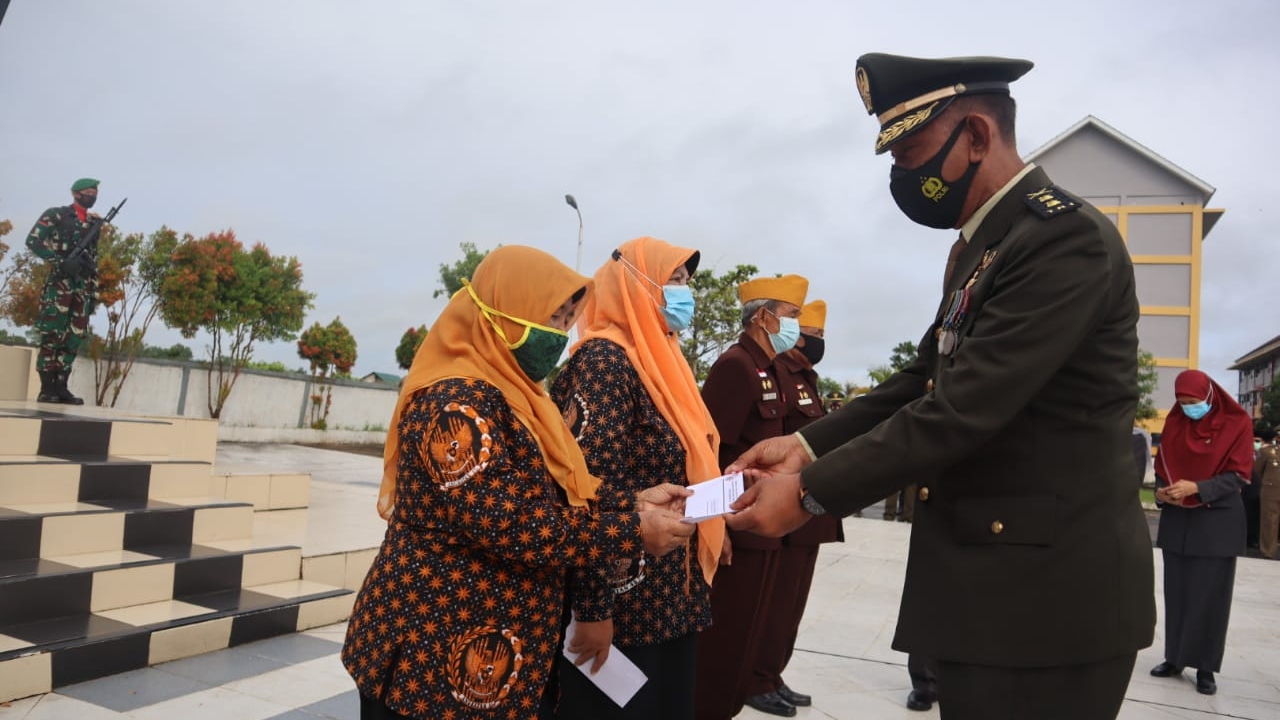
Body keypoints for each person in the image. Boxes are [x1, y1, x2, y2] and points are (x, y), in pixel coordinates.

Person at [723, 52, 1155, 720]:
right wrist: (805, 447)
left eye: (911, 152)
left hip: (1048, 602)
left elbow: (962, 409)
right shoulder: (985, 248)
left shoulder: (1062, 239)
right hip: (995, 589)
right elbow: (923, 377)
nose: (903, 175)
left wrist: (808, 496)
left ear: (977, 136)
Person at [340, 246, 697, 720]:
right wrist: (633, 532)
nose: (559, 333)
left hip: (493, 644)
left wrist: (630, 501)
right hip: (435, 646)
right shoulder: (456, 405)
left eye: (569, 318)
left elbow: (556, 486)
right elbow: (509, 525)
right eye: (552, 316)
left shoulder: (521, 397)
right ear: (503, 313)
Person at [548, 237, 724, 720]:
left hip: (668, 595)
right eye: (676, 281)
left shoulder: (662, 362)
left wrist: (713, 521)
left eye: (688, 282)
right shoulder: (605, 363)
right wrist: (592, 610)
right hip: (623, 606)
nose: (685, 294)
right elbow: (582, 495)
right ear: (636, 286)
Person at [696, 273, 808, 720]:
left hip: (763, 522)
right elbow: (711, 448)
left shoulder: (770, 368)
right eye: (792, 316)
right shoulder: (736, 365)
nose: (796, 325)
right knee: (724, 642)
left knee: (749, 636)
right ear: (763, 317)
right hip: (736, 528)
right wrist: (715, 523)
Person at [749, 299, 842, 712]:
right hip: (789, 504)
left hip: (813, 509)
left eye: (822, 335)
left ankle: (773, 672)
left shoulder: (809, 377)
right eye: (813, 334)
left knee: (792, 606)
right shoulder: (780, 372)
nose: (817, 341)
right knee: (773, 603)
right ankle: (757, 679)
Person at [1150, 369, 1252, 696]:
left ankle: (1205, 666)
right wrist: (1163, 492)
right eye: (1182, 402)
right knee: (1177, 592)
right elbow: (1163, 468)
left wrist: (1197, 487)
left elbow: (1238, 475)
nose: (1188, 407)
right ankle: (1175, 658)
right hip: (1179, 520)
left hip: (1216, 522)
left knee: (1210, 597)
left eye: (1193, 401)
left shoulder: (1237, 423)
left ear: (1209, 396)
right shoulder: (1176, 421)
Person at [24, 177, 104, 404]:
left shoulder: (92, 221)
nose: (92, 196)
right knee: (53, 334)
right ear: (75, 193)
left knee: (74, 336)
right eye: (88, 192)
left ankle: (62, 387)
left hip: (83, 285)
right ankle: (47, 388)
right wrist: (58, 261)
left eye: (95, 193)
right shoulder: (56, 214)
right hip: (60, 285)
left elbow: (92, 254)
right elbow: (33, 241)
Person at [1256, 430, 1280, 559]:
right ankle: (1268, 551)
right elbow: (1257, 471)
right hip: (1271, 491)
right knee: (1269, 521)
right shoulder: (1267, 452)